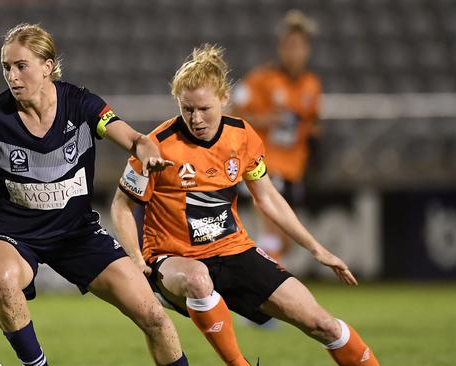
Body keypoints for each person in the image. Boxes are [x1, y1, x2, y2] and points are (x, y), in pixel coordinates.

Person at [0, 23, 188, 366]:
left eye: (21, 66)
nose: (12, 76)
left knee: (154, 316)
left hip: (76, 233)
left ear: (47, 66)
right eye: (6, 67)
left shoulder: (81, 105)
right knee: (3, 282)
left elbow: (133, 138)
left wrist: (146, 148)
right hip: (12, 232)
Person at [111, 43, 379, 366]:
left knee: (321, 323)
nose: (195, 119)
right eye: (187, 109)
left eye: (204, 109)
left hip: (234, 251)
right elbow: (121, 206)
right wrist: (137, 261)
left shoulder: (243, 136)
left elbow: (267, 197)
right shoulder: (155, 146)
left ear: (224, 99)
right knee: (197, 279)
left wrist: (316, 249)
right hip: (174, 259)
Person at [230, 10, 322, 262]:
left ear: (307, 50)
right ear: (280, 49)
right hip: (266, 165)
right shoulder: (261, 80)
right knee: (272, 230)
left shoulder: (311, 85)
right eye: (289, 46)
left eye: (299, 47)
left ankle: (252, 266)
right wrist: (266, 119)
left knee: (286, 241)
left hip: (294, 168)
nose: (294, 53)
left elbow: (311, 121)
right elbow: (232, 113)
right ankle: (266, 288)